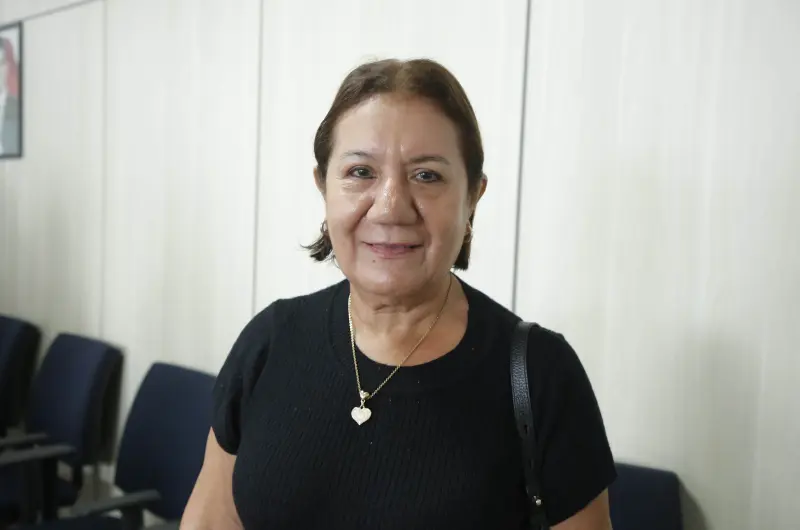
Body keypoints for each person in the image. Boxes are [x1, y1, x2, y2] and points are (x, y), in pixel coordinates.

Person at [182, 58, 616, 530]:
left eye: (426, 175)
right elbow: (214, 517)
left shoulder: (541, 374)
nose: (390, 207)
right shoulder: (270, 341)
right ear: (323, 187)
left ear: (473, 197)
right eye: (360, 171)